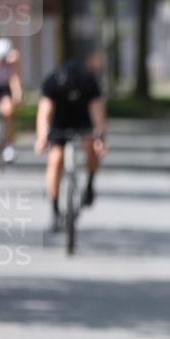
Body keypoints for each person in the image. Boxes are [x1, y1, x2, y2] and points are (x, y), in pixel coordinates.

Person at [34, 52, 108, 232]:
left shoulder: (89, 82)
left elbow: (98, 112)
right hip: (60, 121)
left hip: (83, 120)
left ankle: (90, 182)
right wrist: (42, 137)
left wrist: (100, 138)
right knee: (56, 160)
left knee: (91, 147)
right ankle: (54, 210)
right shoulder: (53, 82)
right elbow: (44, 112)